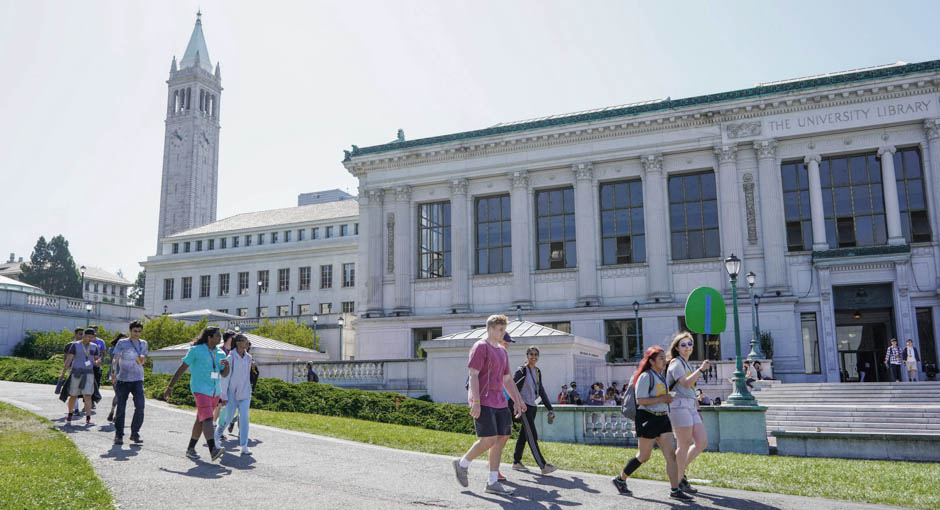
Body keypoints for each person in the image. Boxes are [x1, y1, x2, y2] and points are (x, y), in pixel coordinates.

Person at [452, 314, 526, 496]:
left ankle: (493, 482)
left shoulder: (502, 351)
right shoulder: (480, 347)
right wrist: (475, 401)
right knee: (489, 439)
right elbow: (473, 375)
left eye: (504, 329)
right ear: (490, 329)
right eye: (500, 330)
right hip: (483, 400)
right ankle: (462, 464)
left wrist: (517, 400)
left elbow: (507, 379)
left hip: (500, 401)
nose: (503, 333)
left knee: (501, 438)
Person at [611, 345, 691, 500]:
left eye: (665, 358)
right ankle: (620, 479)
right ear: (652, 361)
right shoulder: (645, 376)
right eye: (661, 358)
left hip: (662, 418)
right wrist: (662, 398)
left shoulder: (661, 376)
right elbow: (641, 400)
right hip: (647, 417)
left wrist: (667, 398)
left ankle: (675, 490)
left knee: (671, 456)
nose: (665, 361)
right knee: (644, 456)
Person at [163, 327, 230, 461]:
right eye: (217, 336)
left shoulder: (221, 353)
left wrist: (227, 366)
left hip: (215, 391)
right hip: (200, 390)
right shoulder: (196, 351)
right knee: (208, 419)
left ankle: (190, 448)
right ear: (209, 337)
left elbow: (224, 374)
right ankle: (213, 449)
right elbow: (182, 368)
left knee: (201, 420)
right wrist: (170, 387)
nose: (220, 338)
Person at [665, 332, 710, 495]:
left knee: (701, 442)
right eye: (683, 345)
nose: (687, 347)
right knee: (683, 444)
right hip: (678, 406)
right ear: (677, 348)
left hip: (690, 406)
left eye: (689, 344)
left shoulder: (686, 364)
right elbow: (685, 383)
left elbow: (691, 390)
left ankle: (679, 473)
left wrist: (697, 409)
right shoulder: (676, 363)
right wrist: (701, 370)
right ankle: (675, 485)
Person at [509, 346, 557, 476]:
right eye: (531, 354)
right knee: (532, 436)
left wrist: (550, 408)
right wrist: (515, 406)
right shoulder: (521, 371)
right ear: (527, 356)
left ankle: (516, 462)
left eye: (536, 354)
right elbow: (512, 389)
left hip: (533, 406)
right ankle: (543, 466)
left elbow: (540, 390)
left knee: (524, 435)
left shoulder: (537, 371)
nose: (533, 356)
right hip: (523, 407)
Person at [110, 322, 148, 445]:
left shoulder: (143, 343)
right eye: (135, 331)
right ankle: (119, 435)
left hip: (137, 379)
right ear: (130, 331)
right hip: (123, 380)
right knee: (121, 408)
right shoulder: (122, 343)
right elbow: (115, 358)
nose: (137, 334)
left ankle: (135, 433)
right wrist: (113, 373)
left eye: (139, 331)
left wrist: (142, 359)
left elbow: (143, 359)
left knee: (140, 407)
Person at [216, 334, 254, 455]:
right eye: (245, 341)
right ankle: (216, 436)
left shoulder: (249, 358)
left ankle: (244, 445)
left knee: (244, 419)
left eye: (248, 342)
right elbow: (225, 378)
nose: (247, 344)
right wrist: (224, 396)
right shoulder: (230, 358)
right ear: (238, 343)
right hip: (231, 394)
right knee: (227, 419)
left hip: (245, 394)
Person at [57, 328, 101, 426]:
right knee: (73, 395)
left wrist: (98, 363)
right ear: (84, 335)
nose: (90, 339)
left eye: (92, 337)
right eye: (89, 337)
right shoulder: (75, 345)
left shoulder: (94, 346)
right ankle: (69, 415)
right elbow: (69, 359)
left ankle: (88, 418)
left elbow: (95, 361)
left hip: (89, 373)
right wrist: (63, 372)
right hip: (76, 373)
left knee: (88, 395)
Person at [105, 332, 128, 423]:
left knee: (121, 395)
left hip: (126, 375)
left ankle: (114, 412)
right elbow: (114, 359)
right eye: (121, 340)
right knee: (119, 394)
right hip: (115, 374)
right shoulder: (112, 349)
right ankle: (114, 412)